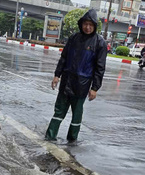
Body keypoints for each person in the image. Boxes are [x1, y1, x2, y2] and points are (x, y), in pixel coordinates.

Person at [45, 8, 107, 142]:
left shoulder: (99, 43)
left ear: (95, 26)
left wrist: (95, 88)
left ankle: (72, 140)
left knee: (76, 114)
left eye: (91, 25)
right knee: (59, 111)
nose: (88, 27)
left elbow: (100, 68)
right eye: (85, 24)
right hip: (66, 81)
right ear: (81, 24)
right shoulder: (74, 38)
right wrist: (57, 75)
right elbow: (64, 57)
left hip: (82, 85)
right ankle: (50, 136)